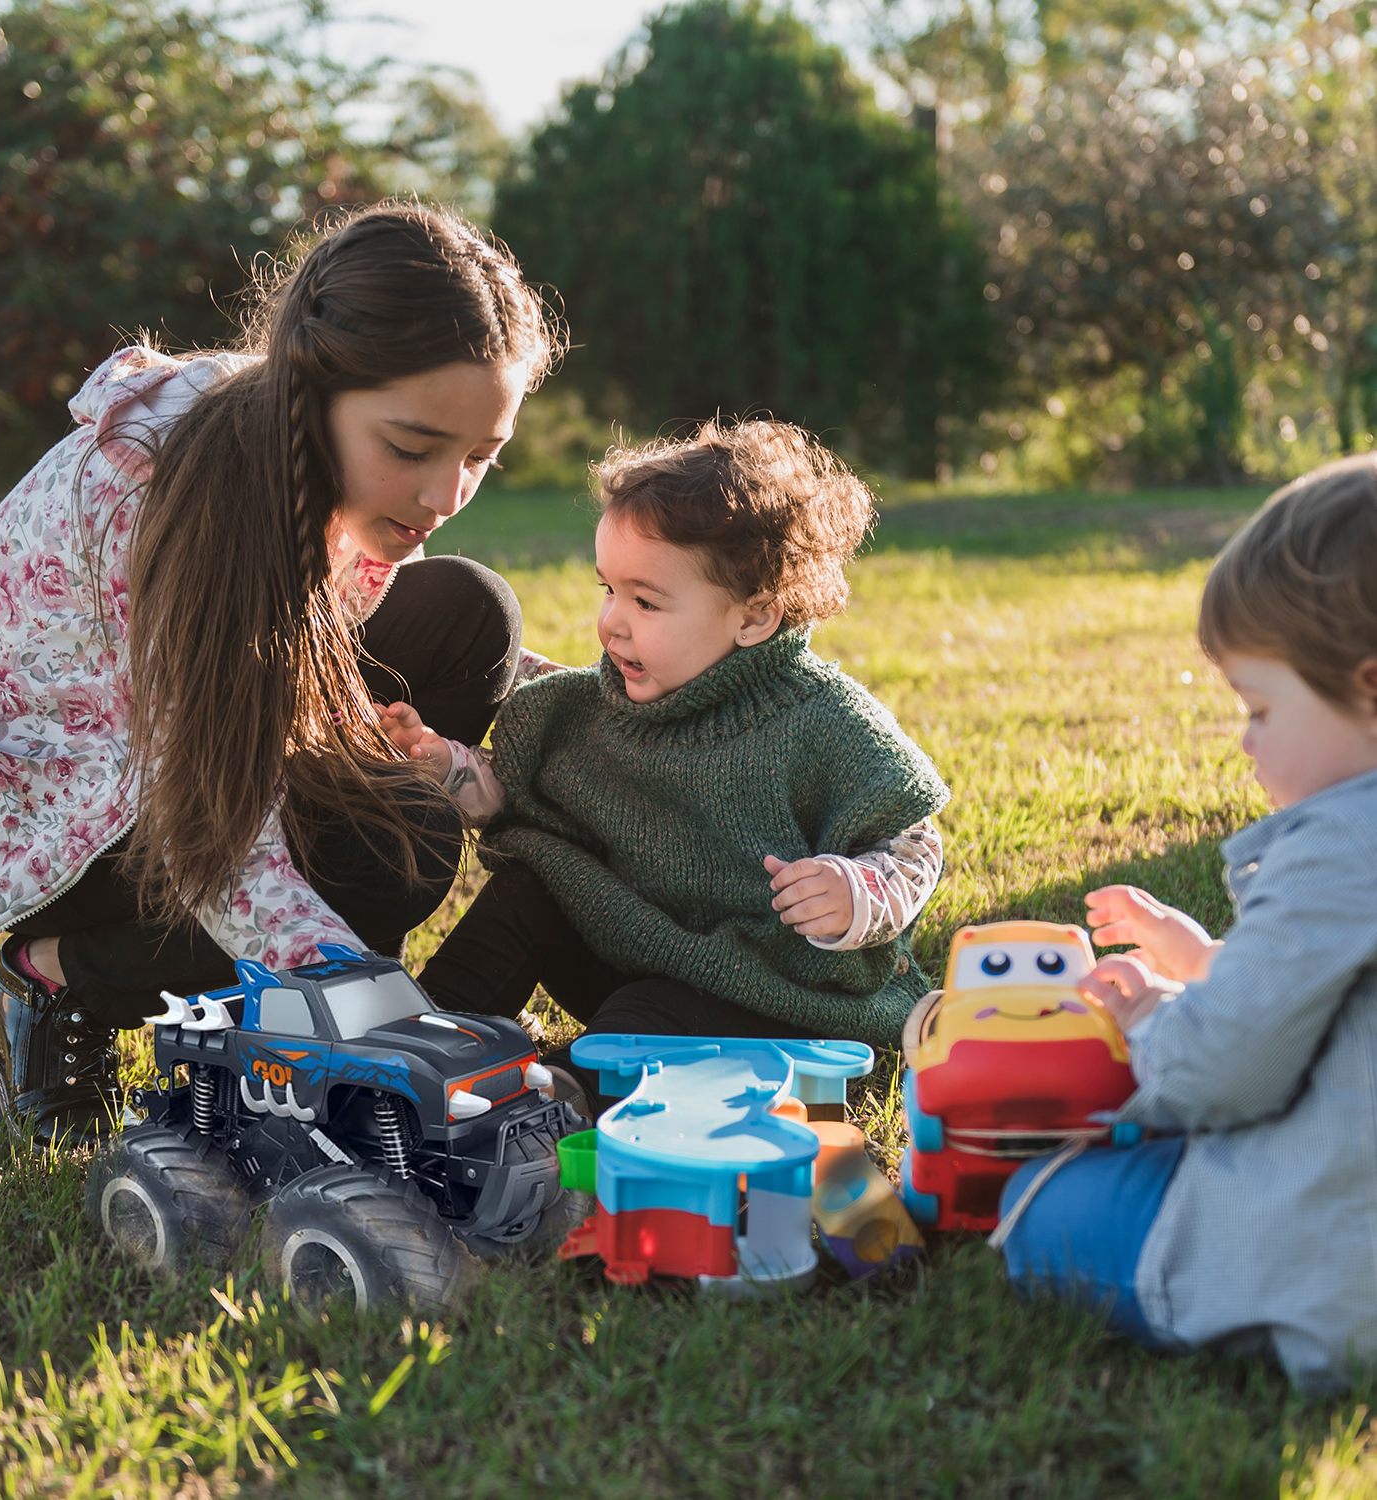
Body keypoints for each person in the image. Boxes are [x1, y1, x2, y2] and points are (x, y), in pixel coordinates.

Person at [0, 201, 560, 1148]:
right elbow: (214, 824)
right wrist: (366, 1010)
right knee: (393, 841)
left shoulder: (303, 450)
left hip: (192, 722)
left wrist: (642, 700)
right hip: (35, 786)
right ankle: (44, 980)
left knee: (470, 612)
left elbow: (337, 627)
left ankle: (299, 998)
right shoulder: (176, 496)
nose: (445, 495)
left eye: (482, 458)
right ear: (315, 391)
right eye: (410, 449)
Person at [409, 419, 950, 1116]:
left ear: (754, 619)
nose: (612, 623)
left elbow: (912, 838)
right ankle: (424, 1039)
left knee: (650, 1010)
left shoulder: (819, 717)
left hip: (767, 999)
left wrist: (858, 892)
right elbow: (531, 795)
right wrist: (452, 769)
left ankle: (552, 1100)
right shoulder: (602, 704)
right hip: (643, 948)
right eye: (608, 589)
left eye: (646, 601)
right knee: (530, 890)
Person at [993, 453, 1377, 1391]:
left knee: (1039, 1208)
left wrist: (1153, 1019)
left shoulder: (1341, 844)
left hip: (1329, 1274)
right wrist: (1207, 961)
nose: (1245, 739)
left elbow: (1224, 1069)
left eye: (1259, 707)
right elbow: (1330, 1007)